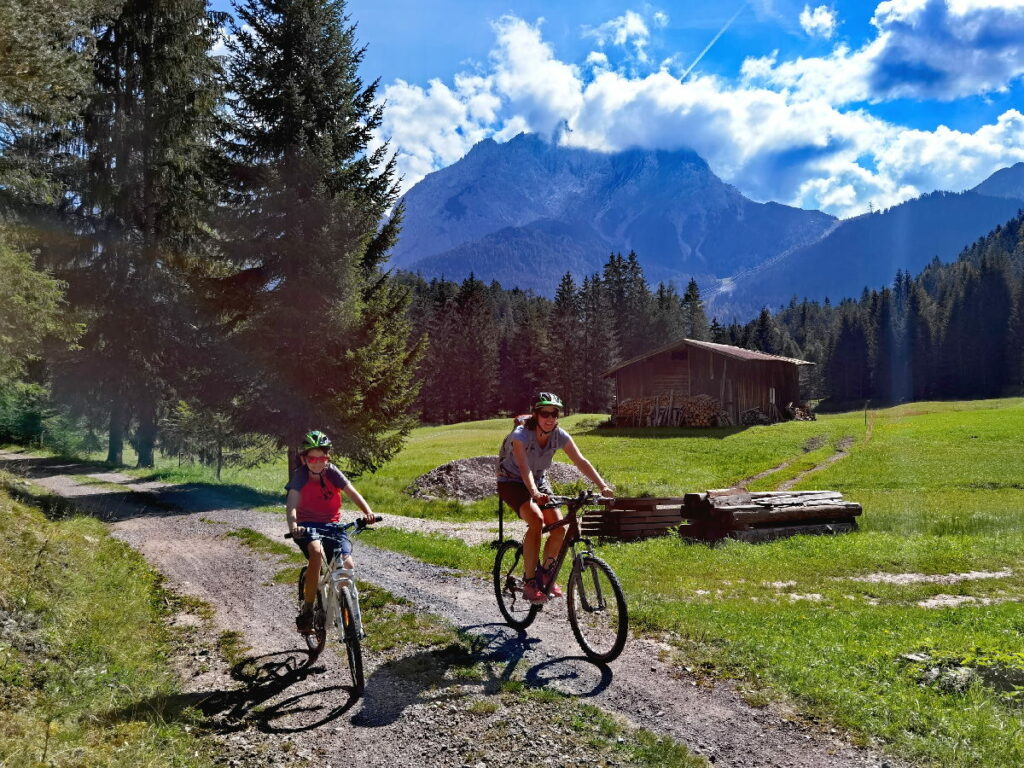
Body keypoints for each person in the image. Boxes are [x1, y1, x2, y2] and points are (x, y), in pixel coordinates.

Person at [496, 392, 614, 605]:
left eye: (554, 413)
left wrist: (602, 486)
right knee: (536, 521)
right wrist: (533, 493)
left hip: (539, 482)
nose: (550, 418)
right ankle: (530, 581)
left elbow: (580, 461)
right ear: (535, 414)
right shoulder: (521, 436)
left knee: (559, 528)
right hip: (512, 481)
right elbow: (524, 469)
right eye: (544, 413)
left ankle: (545, 574)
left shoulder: (560, 435)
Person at [286, 430, 375, 633]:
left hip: (332, 525)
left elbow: (352, 492)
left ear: (327, 458)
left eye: (322, 458)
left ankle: (348, 614)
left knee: (347, 566)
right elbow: (291, 504)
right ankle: (308, 611)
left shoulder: (332, 472)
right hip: (306, 525)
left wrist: (368, 512)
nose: (317, 463)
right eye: (312, 459)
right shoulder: (300, 475)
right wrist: (294, 526)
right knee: (316, 553)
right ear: (304, 459)